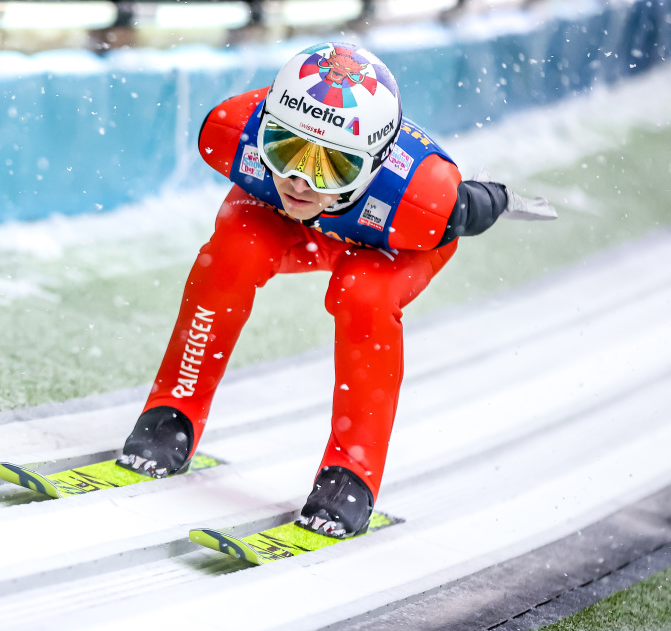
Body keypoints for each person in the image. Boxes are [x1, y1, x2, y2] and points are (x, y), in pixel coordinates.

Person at [116, 42, 554, 537]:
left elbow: (471, 206)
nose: (300, 180)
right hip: (295, 228)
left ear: (375, 163)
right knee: (233, 250)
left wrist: (494, 198)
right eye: (284, 148)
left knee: (363, 293)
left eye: (333, 166)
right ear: (264, 130)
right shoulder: (232, 131)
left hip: (392, 243)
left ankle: (352, 473)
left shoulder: (427, 201)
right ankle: (173, 408)